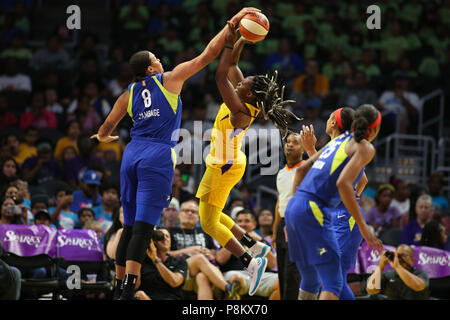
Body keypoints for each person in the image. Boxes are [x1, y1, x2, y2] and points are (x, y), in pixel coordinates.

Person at [90, 7, 262, 300]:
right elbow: (207, 57)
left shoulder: (128, 93)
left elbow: (106, 127)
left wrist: (105, 137)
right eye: (156, 59)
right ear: (150, 69)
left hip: (131, 154)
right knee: (144, 230)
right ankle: (130, 288)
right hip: (157, 156)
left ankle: (119, 287)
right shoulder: (169, 79)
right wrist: (231, 27)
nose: (160, 60)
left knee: (128, 228)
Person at [195, 24, 300, 297]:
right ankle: (254, 246)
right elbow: (232, 66)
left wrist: (227, 45)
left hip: (224, 165)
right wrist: (240, 39)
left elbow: (221, 77)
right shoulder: (246, 98)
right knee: (213, 217)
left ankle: (250, 261)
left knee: (208, 223)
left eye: (242, 83)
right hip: (228, 161)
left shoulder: (240, 109)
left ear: (249, 93)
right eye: (240, 82)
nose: (238, 82)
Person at [286, 104, 383, 300]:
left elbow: (301, 170)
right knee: (333, 281)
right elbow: (343, 183)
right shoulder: (362, 146)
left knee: (313, 278)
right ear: (375, 129)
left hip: (299, 209)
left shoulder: (339, 142)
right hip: (318, 211)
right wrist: (364, 227)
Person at [299, 106, 366, 300]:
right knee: (332, 279)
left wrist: (310, 149)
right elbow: (363, 181)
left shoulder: (344, 147)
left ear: (334, 123)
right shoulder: (340, 146)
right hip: (337, 218)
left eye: (328, 116)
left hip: (345, 220)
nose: (326, 120)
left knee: (331, 279)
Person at [168, 200, 239, 300]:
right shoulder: (170, 231)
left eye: (193, 212)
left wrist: (210, 254)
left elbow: (214, 253)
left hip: (204, 270)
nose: (189, 213)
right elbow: (165, 254)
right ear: (179, 214)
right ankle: (227, 288)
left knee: (202, 277)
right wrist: (187, 251)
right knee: (199, 258)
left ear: (198, 217)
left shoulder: (205, 233)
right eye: (186, 210)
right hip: (180, 269)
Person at [216, 209, 279, 300]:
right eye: (239, 221)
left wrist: (258, 242)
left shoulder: (261, 240)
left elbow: (273, 264)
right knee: (236, 280)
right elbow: (220, 260)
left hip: (261, 276)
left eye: (247, 221)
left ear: (254, 224)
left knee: (280, 281)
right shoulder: (228, 238)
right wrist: (233, 240)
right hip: (235, 273)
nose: (243, 224)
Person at [272, 132, 304, 300]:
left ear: (304, 148)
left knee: (292, 274)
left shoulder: (306, 167)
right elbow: (280, 201)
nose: (290, 145)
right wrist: (274, 229)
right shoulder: (281, 172)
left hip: (297, 223)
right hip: (282, 224)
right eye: (288, 142)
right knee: (282, 273)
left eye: (295, 142)